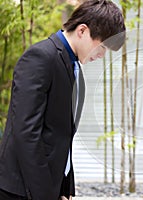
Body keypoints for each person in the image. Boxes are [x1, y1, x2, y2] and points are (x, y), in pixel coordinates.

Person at [0, 0, 125, 199]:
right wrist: (46, 193)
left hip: (48, 185)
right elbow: (26, 132)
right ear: (82, 30)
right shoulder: (40, 57)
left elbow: (61, 135)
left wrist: (64, 187)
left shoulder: (73, 66)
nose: (102, 55)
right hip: (21, 188)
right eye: (102, 46)